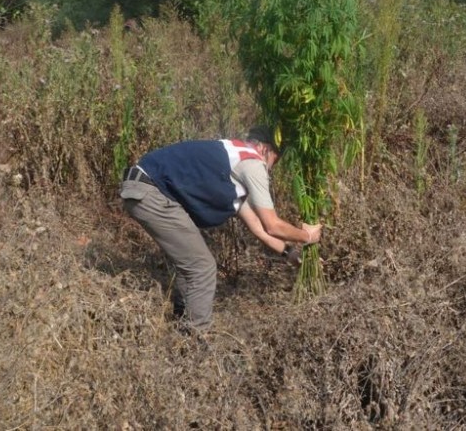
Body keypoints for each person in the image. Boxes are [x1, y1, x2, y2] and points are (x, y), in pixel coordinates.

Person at [119, 125, 320, 333]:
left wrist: (289, 252)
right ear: (264, 149)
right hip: (151, 192)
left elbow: (260, 229)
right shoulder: (252, 162)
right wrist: (307, 236)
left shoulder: (234, 164)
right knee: (202, 266)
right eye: (276, 159)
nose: (272, 167)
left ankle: (180, 321)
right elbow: (273, 225)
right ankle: (194, 337)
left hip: (144, 187)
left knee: (191, 262)